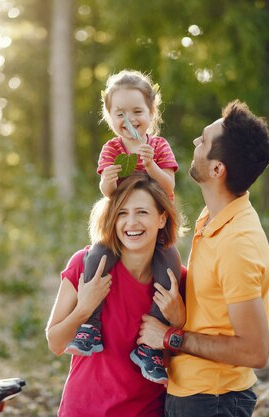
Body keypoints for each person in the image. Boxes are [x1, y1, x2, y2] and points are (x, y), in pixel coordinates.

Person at [137, 100, 269, 417]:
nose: (194, 143)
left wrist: (171, 337)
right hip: (192, 394)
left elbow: (254, 350)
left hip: (213, 400)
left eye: (203, 140)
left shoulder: (237, 243)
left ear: (217, 169)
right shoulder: (214, 218)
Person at [64, 70, 180, 385]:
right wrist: (109, 180)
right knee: (96, 256)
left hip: (154, 227)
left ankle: (148, 347)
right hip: (121, 226)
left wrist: (152, 165)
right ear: (110, 117)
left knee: (169, 267)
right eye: (120, 113)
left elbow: (169, 185)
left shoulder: (158, 146)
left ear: (151, 113)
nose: (129, 119)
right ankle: (92, 325)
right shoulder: (112, 149)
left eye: (137, 112)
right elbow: (106, 191)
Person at [46, 174, 187, 416]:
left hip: (145, 411)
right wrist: (84, 308)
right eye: (122, 213)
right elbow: (55, 343)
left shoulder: (178, 281)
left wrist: (178, 321)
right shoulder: (84, 265)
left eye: (142, 212)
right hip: (82, 410)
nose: (131, 222)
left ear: (162, 218)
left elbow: (183, 358)